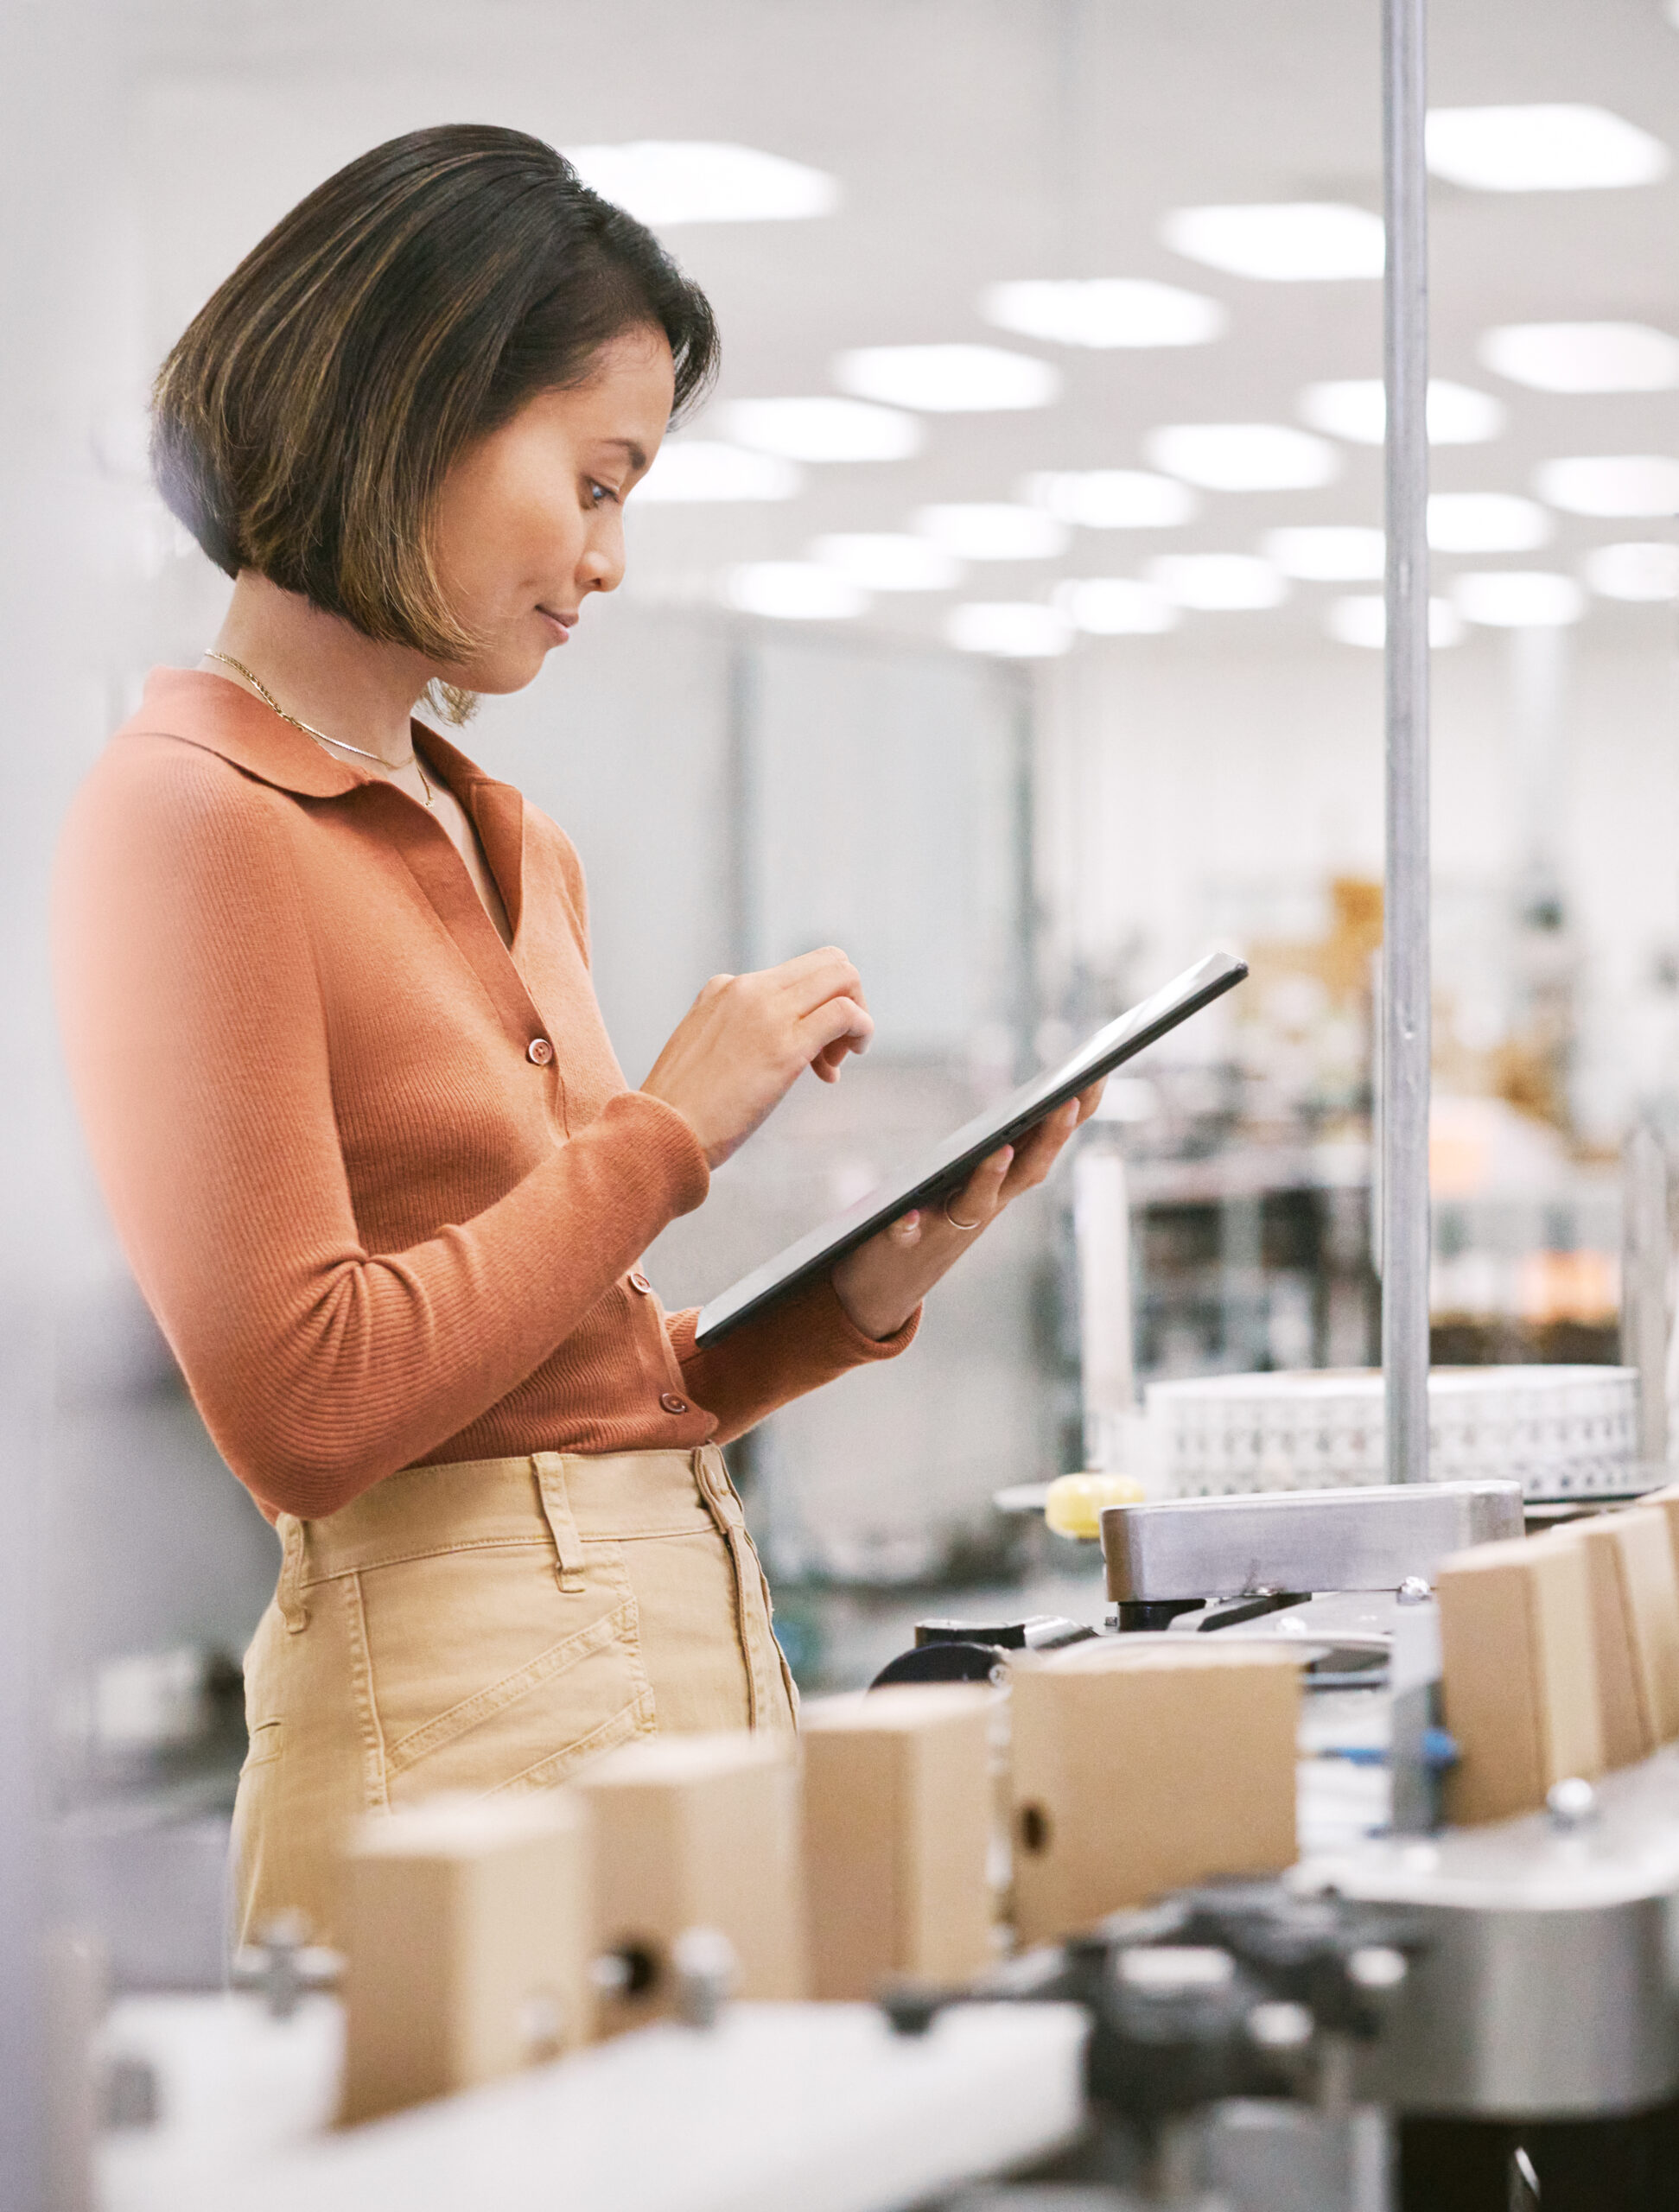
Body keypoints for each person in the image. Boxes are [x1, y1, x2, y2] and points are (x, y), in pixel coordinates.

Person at [54, 124, 1101, 1945]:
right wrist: (665, 1137)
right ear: (418, 407)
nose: (612, 557)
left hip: (686, 1652)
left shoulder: (509, 836)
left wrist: (834, 1309)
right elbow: (311, 1406)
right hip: (450, 1737)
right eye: (597, 478)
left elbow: (559, 1384)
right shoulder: (184, 816)